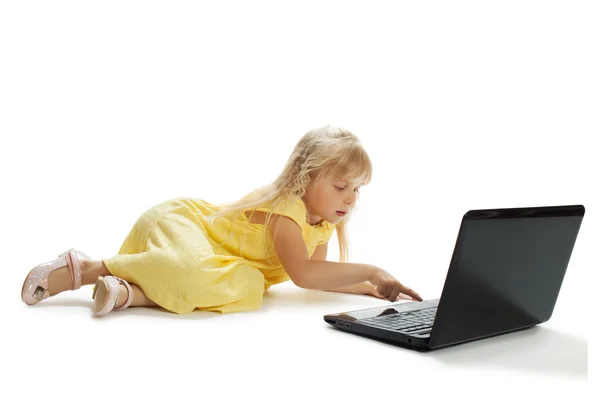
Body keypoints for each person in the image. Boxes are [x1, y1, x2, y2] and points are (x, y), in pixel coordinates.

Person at [21, 125, 423, 317]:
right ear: (306, 176)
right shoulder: (286, 211)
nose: (350, 198)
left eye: (357, 189)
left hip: (213, 261)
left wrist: (370, 288)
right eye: (341, 186)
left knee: (250, 287)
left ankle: (129, 292)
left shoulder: (321, 222)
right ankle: (88, 268)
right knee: (214, 276)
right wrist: (372, 270)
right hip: (183, 224)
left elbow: (318, 272)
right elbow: (302, 274)